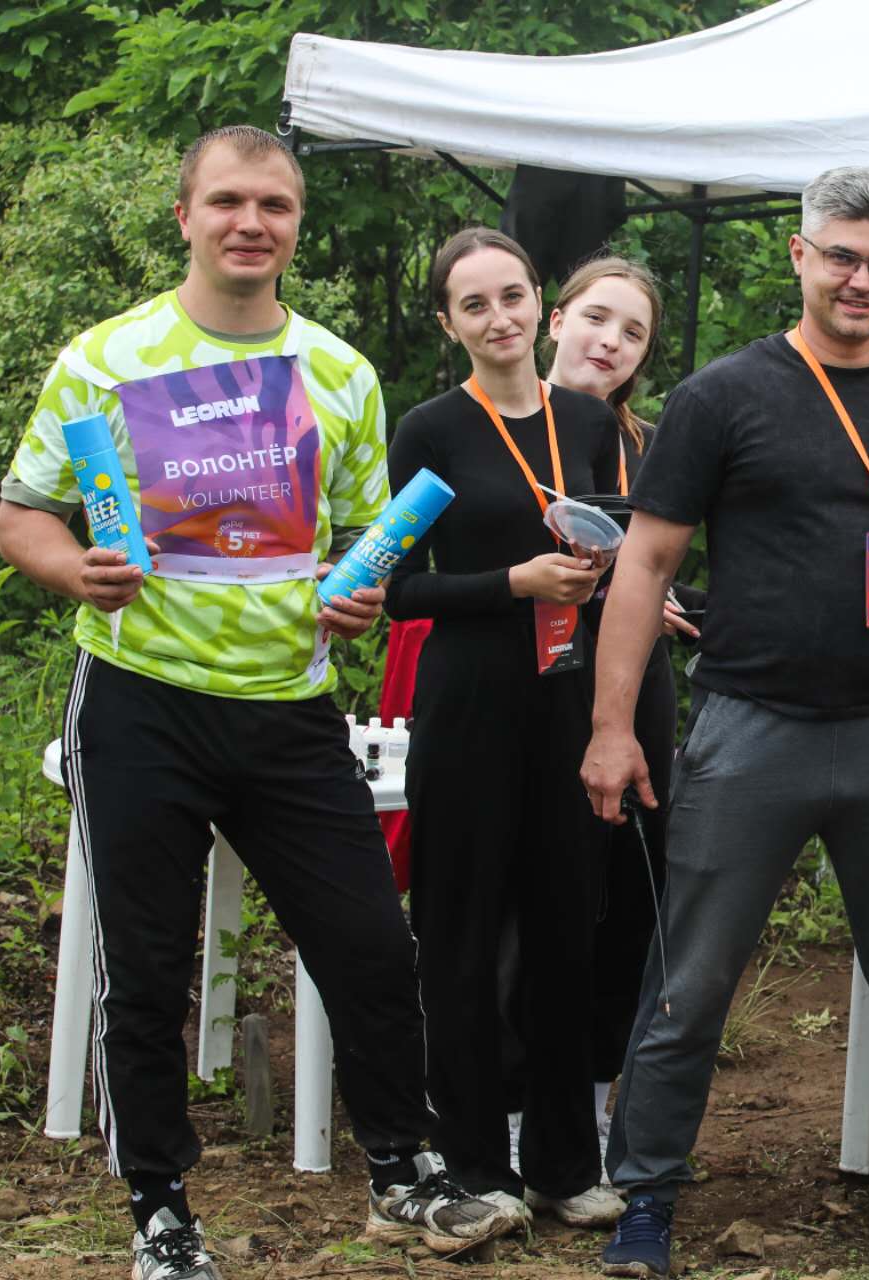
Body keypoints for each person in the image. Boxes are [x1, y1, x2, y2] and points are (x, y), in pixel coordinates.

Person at [0, 126, 516, 1279]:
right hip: (140, 697)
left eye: (274, 205)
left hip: (290, 704)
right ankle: (160, 1213)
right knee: (146, 965)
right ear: (184, 215)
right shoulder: (104, 358)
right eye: (228, 200)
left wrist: (362, 597)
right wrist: (75, 568)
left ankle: (401, 1173)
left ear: (296, 225)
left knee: (370, 944)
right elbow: (22, 514)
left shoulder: (340, 372)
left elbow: (365, 545)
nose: (250, 222)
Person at [578, 166, 869, 1276]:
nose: (862, 281)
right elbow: (646, 564)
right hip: (751, 727)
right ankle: (646, 1199)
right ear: (800, 254)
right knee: (691, 982)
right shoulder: (722, 396)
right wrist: (612, 725)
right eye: (843, 257)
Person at [382, 227, 622, 1230]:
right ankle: (476, 1162)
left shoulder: (589, 421)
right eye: (474, 304)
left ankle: (564, 1164)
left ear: (540, 305)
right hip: (470, 706)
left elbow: (618, 549)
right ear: (450, 323)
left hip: (568, 703)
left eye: (512, 296)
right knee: (463, 937)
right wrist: (513, 582)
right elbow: (396, 587)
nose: (499, 318)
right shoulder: (431, 429)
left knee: (568, 932)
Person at [541, 252, 700, 1145]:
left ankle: (600, 1101)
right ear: (555, 320)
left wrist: (672, 603)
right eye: (597, 318)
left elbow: (669, 566)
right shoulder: (494, 424)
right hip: (528, 684)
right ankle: (515, 1102)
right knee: (533, 891)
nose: (611, 341)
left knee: (630, 890)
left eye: (633, 332)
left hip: (635, 686)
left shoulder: (654, 446)